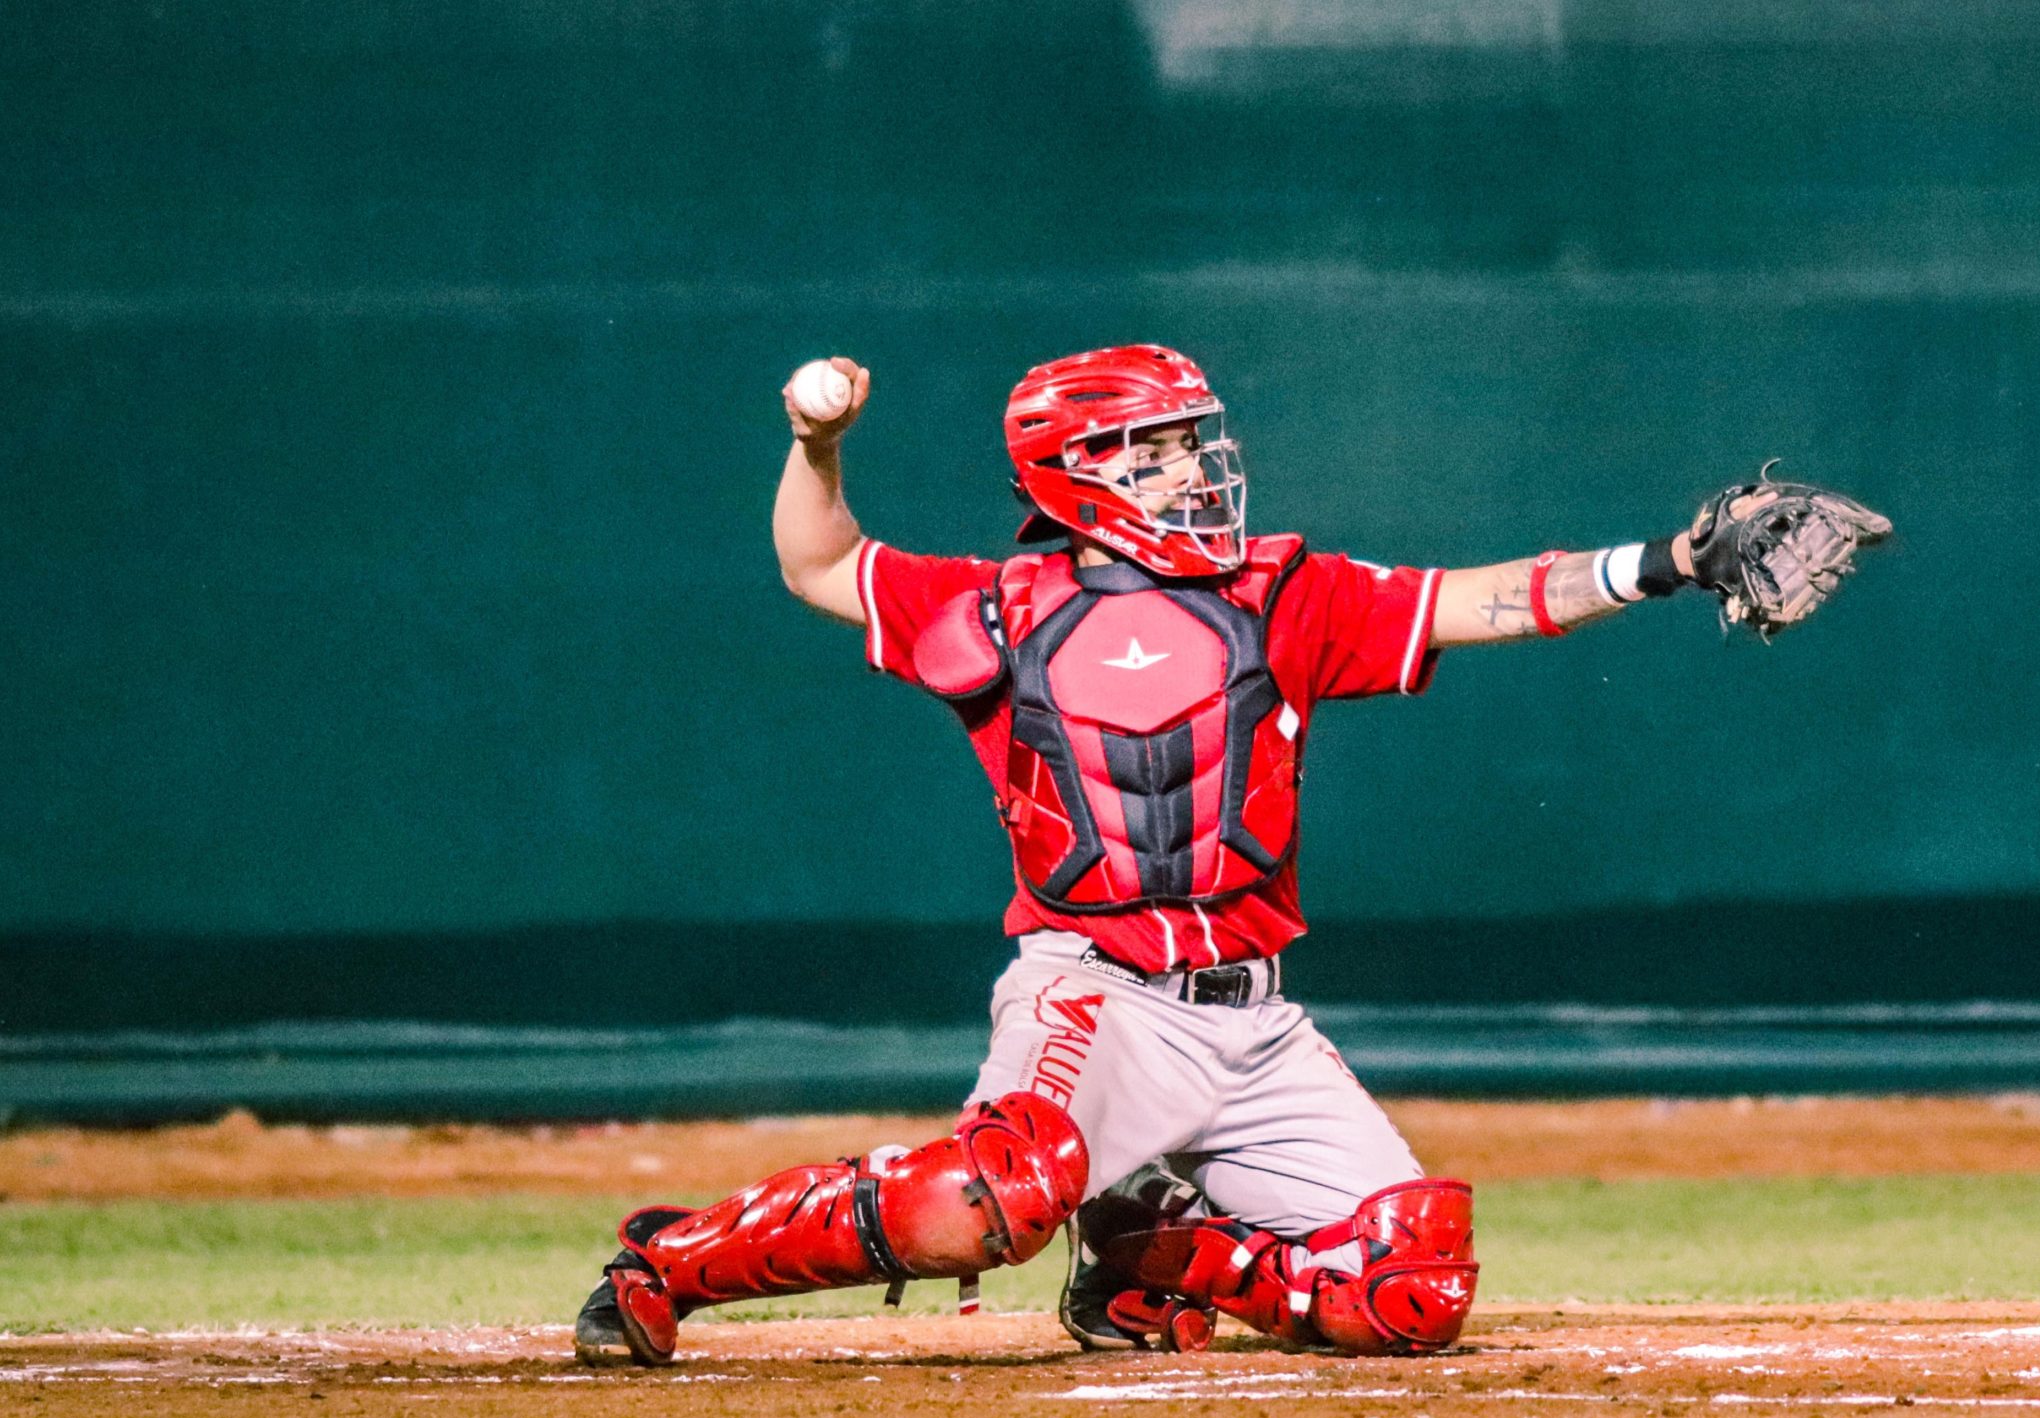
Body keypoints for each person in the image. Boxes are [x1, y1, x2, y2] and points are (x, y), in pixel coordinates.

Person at [572, 344, 1886, 1366]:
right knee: (989, 1197)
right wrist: (816, 441)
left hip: (1255, 1024)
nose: (1194, 473)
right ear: (1078, 472)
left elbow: (1485, 597)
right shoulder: (993, 610)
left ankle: (1156, 1253)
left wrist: (1664, 561)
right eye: (1157, 455)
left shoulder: (1279, 589)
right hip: (1097, 992)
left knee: (1411, 1289)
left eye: (1192, 447)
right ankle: (671, 1261)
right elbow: (818, 561)